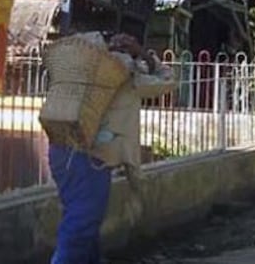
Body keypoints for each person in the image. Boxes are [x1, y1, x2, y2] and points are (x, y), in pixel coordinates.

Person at [47, 32, 174, 264]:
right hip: (92, 157)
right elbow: (167, 80)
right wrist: (142, 52)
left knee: (82, 219)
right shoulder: (126, 76)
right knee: (80, 226)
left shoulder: (81, 74)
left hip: (60, 148)